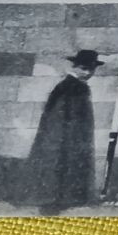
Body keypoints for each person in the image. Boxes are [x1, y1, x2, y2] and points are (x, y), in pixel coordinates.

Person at [20, 49, 101, 214]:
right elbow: (59, 113)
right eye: (84, 69)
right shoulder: (70, 86)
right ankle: (52, 202)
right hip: (63, 135)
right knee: (58, 164)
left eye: (91, 69)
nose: (88, 73)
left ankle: (62, 199)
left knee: (67, 165)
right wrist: (66, 134)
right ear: (76, 67)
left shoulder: (77, 86)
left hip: (70, 134)